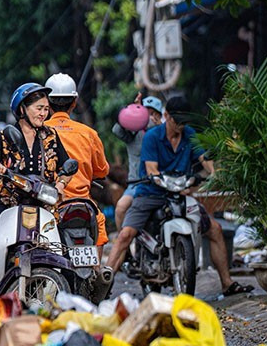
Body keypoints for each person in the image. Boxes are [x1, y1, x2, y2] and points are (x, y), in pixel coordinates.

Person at [105, 96, 253, 296]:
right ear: (167, 117)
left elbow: (203, 158)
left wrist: (215, 174)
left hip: (181, 194)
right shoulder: (152, 137)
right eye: (177, 121)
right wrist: (158, 179)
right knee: (125, 235)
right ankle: (103, 286)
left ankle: (227, 283)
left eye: (185, 121)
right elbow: (151, 169)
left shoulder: (189, 134)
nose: (181, 125)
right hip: (151, 193)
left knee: (215, 229)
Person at [0, 82, 71, 279]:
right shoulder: (4, 136)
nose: (43, 113)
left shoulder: (51, 136)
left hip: (44, 202)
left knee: (65, 239)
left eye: (46, 109)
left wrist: (60, 186)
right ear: (22, 109)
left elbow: (67, 167)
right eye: (38, 108)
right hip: (9, 201)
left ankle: (69, 288)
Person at [43, 73, 110, 248]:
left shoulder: (39, 132)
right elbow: (102, 170)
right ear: (74, 102)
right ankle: (96, 271)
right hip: (83, 202)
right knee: (99, 224)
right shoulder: (88, 133)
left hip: (50, 203)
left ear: (47, 103)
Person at [112, 94, 164, 230]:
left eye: (154, 114)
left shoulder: (165, 134)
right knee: (120, 208)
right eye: (148, 113)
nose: (151, 117)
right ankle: (126, 248)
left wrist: (160, 127)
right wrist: (132, 111)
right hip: (136, 185)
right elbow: (117, 130)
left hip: (162, 184)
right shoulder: (133, 135)